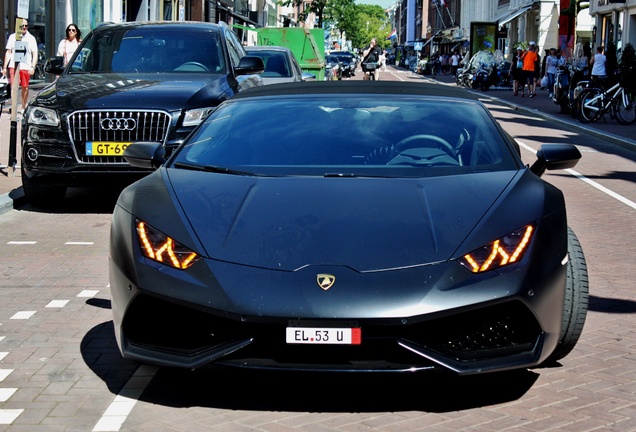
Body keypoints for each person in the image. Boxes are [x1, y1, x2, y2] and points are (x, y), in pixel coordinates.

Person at [3, 19, 39, 112]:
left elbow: (34, 53)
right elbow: (8, 52)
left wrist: (32, 66)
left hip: (25, 66)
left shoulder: (31, 38)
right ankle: (14, 106)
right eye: (22, 25)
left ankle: (23, 106)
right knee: (13, 87)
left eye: (26, 26)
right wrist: (4, 66)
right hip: (13, 65)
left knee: (25, 87)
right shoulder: (12, 37)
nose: (24, 27)